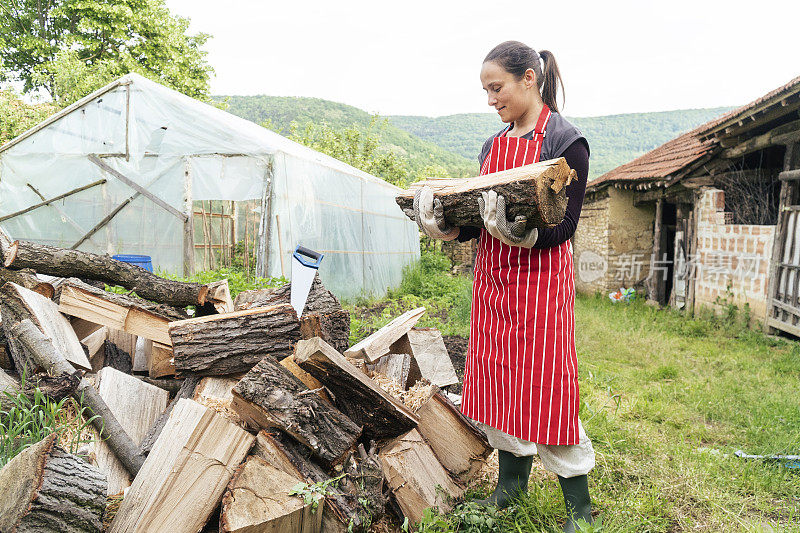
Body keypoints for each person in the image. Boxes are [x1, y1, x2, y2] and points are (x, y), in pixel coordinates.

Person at [408, 41, 594, 532]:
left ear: (529, 79)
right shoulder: (493, 146)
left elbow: (566, 225)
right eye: (486, 91)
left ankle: (580, 508)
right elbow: (479, 218)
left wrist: (525, 233)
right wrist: (448, 228)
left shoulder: (565, 141)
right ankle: (510, 487)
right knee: (498, 387)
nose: (491, 99)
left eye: (497, 88)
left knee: (547, 388)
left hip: (540, 287)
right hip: (493, 283)